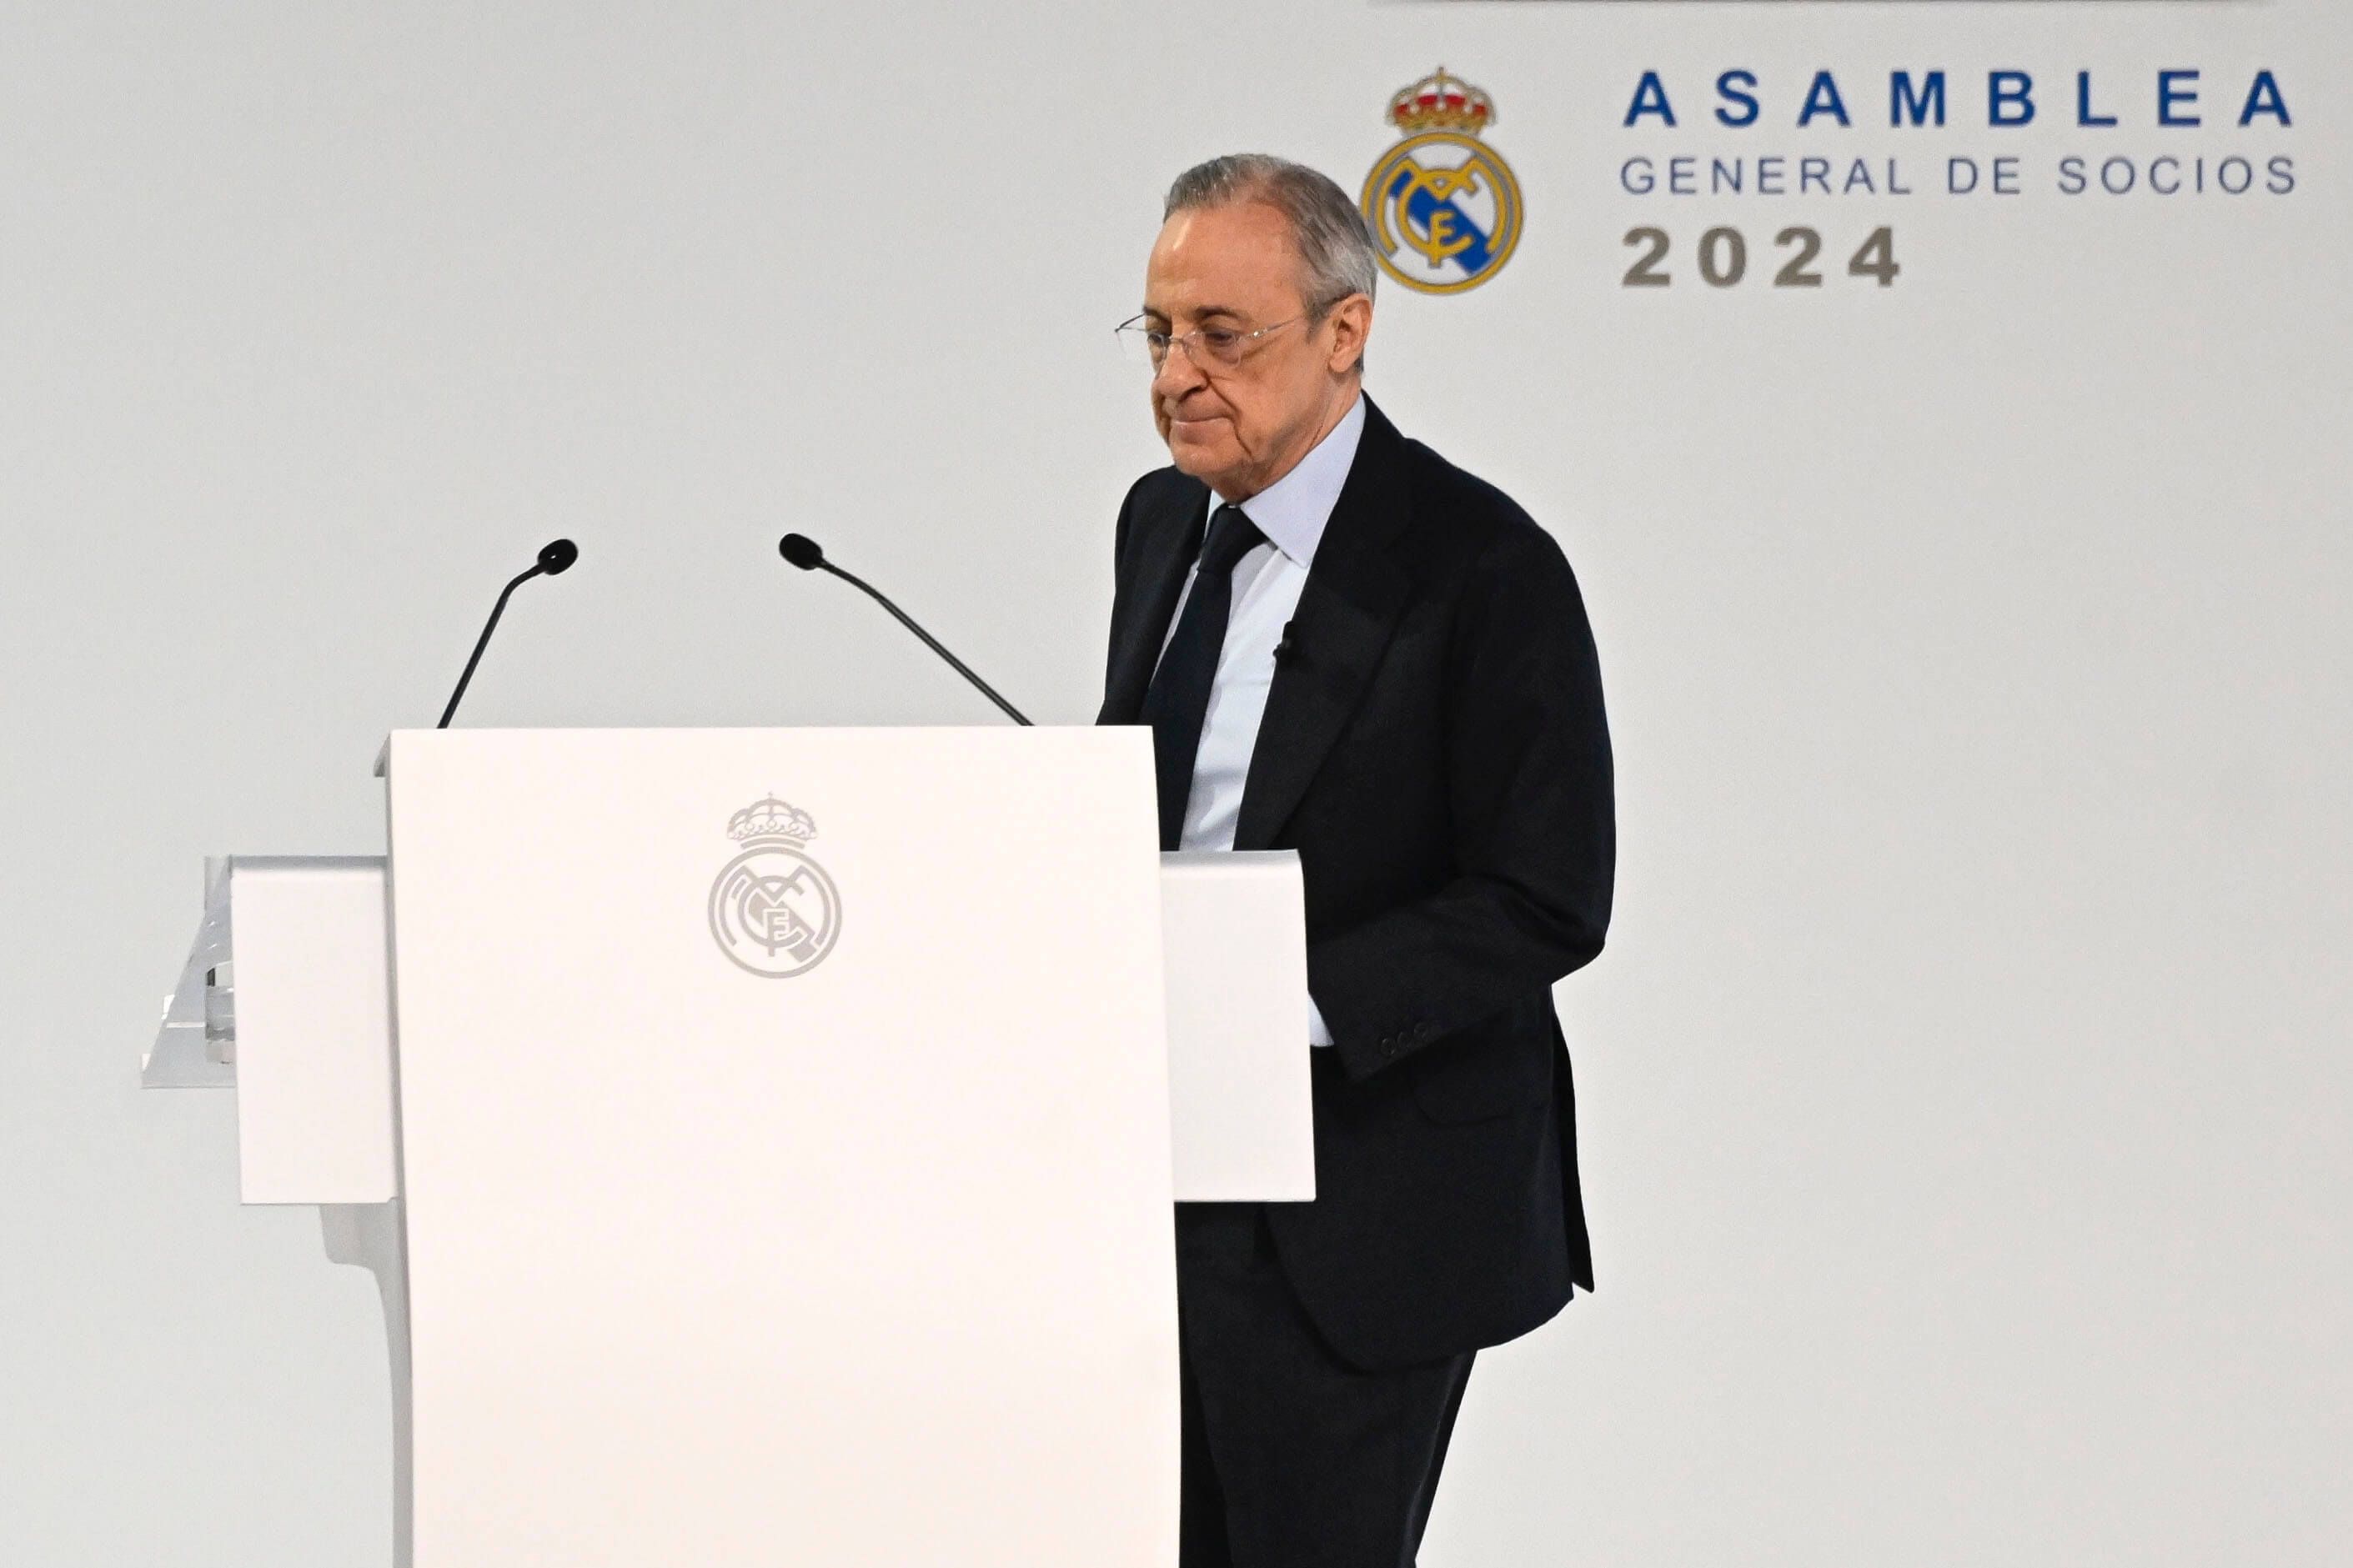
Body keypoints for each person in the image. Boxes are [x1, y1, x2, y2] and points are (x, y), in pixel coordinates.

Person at [1096, 153, 1618, 1567]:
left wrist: (1278, 998)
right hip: (1155, 1185)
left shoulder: (1483, 565)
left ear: (1345, 331)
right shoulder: (1160, 525)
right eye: (1156, 333)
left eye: (1222, 333)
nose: (1177, 373)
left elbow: (1546, 893)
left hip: (1361, 1204)